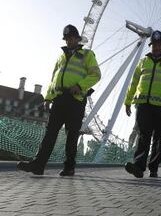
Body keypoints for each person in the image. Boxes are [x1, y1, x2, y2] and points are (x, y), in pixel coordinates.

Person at [17, 24, 101, 176]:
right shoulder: (61, 57)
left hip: (75, 99)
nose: (69, 41)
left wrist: (80, 86)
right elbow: (53, 79)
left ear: (77, 38)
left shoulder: (87, 55)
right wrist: (48, 98)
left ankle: (69, 167)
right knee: (50, 133)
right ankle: (38, 165)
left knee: (72, 134)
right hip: (59, 99)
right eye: (67, 38)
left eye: (71, 38)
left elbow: (96, 75)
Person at [124, 30, 161, 178]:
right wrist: (128, 101)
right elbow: (133, 83)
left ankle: (153, 167)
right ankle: (138, 166)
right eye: (154, 45)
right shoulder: (143, 62)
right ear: (150, 46)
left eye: (159, 45)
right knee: (143, 135)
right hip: (143, 104)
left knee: (158, 138)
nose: (156, 47)